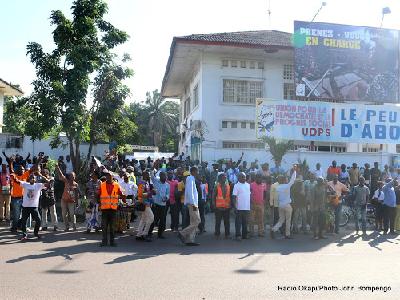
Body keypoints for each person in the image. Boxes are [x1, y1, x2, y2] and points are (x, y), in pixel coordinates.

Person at [11, 173, 49, 240]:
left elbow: (48, 184)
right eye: (31, 178)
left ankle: (36, 233)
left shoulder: (38, 185)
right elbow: (16, 181)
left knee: (38, 221)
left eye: (33, 178)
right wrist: (14, 177)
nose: (32, 179)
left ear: (35, 179)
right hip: (25, 207)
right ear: (29, 179)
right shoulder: (25, 184)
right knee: (24, 221)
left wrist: (41, 175)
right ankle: (24, 235)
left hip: (34, 207)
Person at [271, 166, 297, 239]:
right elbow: (293, 179)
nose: (287, 179)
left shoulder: (278, 188)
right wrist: (294, 171)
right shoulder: (287, 186)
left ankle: (273, 229)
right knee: (288, 220)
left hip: (280, 205)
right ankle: (287, 234)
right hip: (287, 206)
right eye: (285, 179)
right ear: (284, 180)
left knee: (281, 220)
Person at [98, 171, 122, 246]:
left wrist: (123, 199)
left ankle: (112, 242)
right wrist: (99, 203)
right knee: (104, 226)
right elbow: (98, 195)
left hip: (113, 209)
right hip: (104, 209)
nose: (108, 177)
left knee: (112, 227)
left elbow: (121, 193)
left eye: (110, 176)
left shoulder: (116, 185)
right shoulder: (102, 185)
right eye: (107, 176)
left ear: (112, 177)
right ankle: (104, 242)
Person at [178, 167, 201, 246]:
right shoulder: (190, 179)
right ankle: (182, 233)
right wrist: (194, 204)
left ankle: (190, 240)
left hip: (192, 203)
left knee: (193, 222)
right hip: (192, 204)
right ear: (194, 172)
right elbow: (190, 192)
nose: (198, 173)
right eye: (197, 172)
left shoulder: (190, 179)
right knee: (197, 221)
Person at [56, 164, 79, 231]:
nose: (73, 177)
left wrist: (76, 202)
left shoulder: (76, 184)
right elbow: (61, 175)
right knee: (64, 214)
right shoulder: (66, 181)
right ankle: (67, 227)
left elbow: (77, 194)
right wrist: (58, 168)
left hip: (71, 201)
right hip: (64, 200)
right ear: (69, 177)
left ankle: (74, 226)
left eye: (73, 176)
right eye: (71, 176)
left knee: (72, 214)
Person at [9, 162, 31, 232]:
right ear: (17, 170)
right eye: (21, 169)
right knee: (16, 215)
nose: (22, 170)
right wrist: (10, 163)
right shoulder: (14, 176)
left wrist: (39, 160)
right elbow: (11, 170)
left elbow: (32, 169)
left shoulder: (25, 175)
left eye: (23, 169)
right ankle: (14, 227)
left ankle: (22, 226)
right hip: (16, 199)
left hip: (24, 198)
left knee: (26, 214)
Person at [148, 171, 170, 239]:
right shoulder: (156, 181)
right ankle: (149, 233)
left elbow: (168, 194)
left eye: (165, 176)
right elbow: (151, 176)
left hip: (163, 205)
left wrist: (166, 197)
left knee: (162, 220)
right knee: (153, 219)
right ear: (160, 176)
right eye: (163, 176)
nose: (164, 177)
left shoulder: (167, 185)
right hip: (155, 204)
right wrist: (153, 170)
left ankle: (160, 234)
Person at [136, 171, 154, 242]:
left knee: (143, 219)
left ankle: (139, 234)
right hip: (144, 203)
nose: (149, 177)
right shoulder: (142, 183)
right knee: (151, 218)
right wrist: (150, 193)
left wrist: (151, 192)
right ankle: (144, 234)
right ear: (144, 175)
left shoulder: (146, 183)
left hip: (147, 203)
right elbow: (140, 194)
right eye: (148, 175)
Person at [232, 172, 251, 240]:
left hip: (247, 207)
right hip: (239, 207)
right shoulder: (236, 186)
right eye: (242, 177)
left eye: (245, 177)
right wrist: (235, 207)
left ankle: (244, 235)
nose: (244, 178)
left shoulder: (248, 185)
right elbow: (234, 197)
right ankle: (238, 235)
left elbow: (249, 195)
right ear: (238, 178)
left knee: (245, 222)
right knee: (238, 223)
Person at [212, 173, 231, 239]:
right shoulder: (216, 186)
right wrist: (214, 205)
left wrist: (230, 204)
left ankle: (227, 234)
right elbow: (213, 196)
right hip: (218, 207)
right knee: (218, 221)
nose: (225, 178)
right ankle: (217, 233)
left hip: (226, 207)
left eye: (225, 177)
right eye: (223, 177)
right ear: (219, 179)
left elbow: (230, 196)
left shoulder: (228, 186)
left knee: (227, 222)